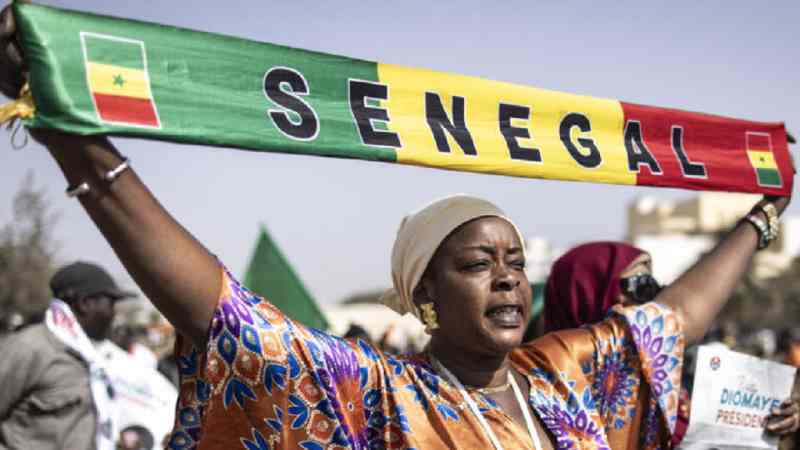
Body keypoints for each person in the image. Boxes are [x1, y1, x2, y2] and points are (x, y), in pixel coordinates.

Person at [0, 7, 796, 449]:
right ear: (424, 297)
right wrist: (74, 139)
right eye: (479, 264)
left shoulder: (564, 380)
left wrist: (760, 219)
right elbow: (221, 313)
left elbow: (675, 318)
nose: (510, 276)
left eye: (515, 260)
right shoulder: (375, 397)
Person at [543, 241, 800, 447]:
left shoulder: (670, 385)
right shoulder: (542, 395)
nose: (653, 299)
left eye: (655, 284)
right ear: (587, 292)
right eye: (641, 285)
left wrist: (778, 420)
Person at [0, 261, 135, 450]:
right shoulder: (30, 347)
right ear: (85, 304)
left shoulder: (93, 357)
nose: (114, 314)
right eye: (110, 303)